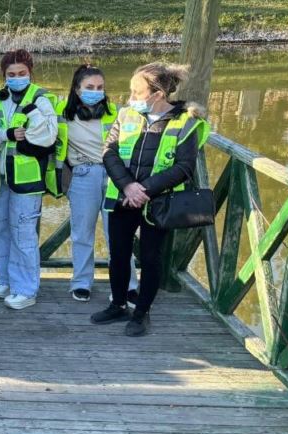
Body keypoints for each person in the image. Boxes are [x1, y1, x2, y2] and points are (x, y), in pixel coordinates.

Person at [93, 62, 209, 336]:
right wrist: (128, 187)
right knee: (118, 255)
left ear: (157, 95)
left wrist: (143, 190)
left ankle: (142, 313)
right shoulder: (126, 115)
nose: (131, 98)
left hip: (158, 204)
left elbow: (183, 167)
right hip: (123, 198)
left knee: (150, 258)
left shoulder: (186, 122)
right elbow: (108, 151)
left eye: (137, 92)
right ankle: (118, 304)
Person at [0, 48, 58, 310]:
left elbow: (47, 136)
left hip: (27, 179)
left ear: (30, 73)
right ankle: (5, 279)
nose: (16, 77)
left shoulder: (42, 98)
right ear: (3, 75)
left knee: (23, 233)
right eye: (11, 74)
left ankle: (25, 289)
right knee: (0, 230)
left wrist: (28, 121)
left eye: (21, 73)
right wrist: (7, 134)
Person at [54, 64, 131, 303]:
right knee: (82, 234)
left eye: (100, 87)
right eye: (89, 87)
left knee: (118, 234)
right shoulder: (61, 111)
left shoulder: (116, 111)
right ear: (77, 90)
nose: (95, 92)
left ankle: (127, 284)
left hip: (113, 178)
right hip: (82, 176)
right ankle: (81, 282)